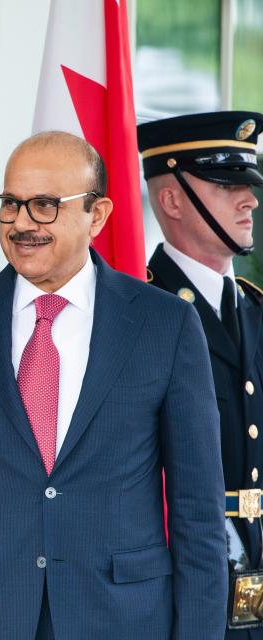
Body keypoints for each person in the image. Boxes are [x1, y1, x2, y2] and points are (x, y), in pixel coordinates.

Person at [0, 131, 227, 639]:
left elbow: (198, 517)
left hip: (122, 620)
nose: (23, 223)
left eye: (45, 205)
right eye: (11, 204)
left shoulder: (166, 326)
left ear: (98, 215)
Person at [140, 110, 263, 637]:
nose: (250, 200)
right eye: (226, 185)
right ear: (172, 200)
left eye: (249, 185)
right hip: (176, 585)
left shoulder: (255, 311)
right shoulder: (139, 313)